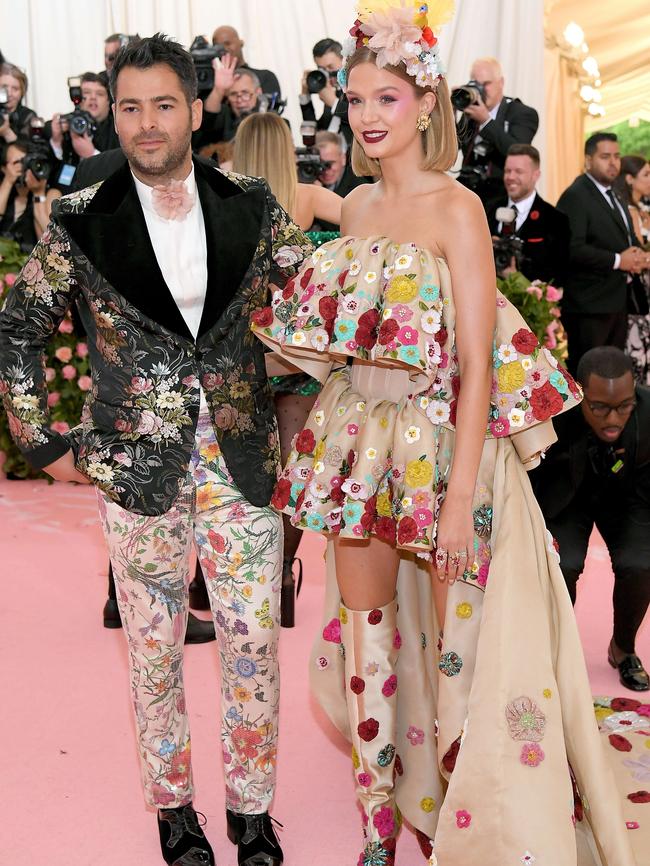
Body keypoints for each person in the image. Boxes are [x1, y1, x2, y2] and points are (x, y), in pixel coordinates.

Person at [250, 2, 636, 864]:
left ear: (424, 104)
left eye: (386, 97)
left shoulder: (458, 209)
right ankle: (377, 833)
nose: (369, 116)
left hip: (445, 457)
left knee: (462, 649)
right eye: (354, 100)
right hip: (358, 449)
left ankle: (467, 813)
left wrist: (459, 501)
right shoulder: (352, 213)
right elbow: (342, 345)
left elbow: (475, 365)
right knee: (367, 641)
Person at [0, 33, 313, 866]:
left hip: (243, 460)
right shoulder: (80, 220)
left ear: (196, 106)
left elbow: (318, 307)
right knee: (152, 649)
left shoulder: (250, 201)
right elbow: (17, 330)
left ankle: (251, 814)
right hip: (136, 470)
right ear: (114, 111)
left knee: (252, 641)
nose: (145, 124)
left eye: (163, 105)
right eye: (130, 106)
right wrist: (44, 441)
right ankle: (175, 812)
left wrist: (304, 414)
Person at [232, 110, 341, 626]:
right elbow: (375, 230)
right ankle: (282, 580)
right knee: (292, 472)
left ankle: (235, 578)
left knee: (234, 471)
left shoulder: (218, 193)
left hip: (239, 353)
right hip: (300, 356)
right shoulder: (310, 197)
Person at [532, 346, 650, 692]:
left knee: (641, 562)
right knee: (562, 562)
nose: (613, 419)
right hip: (570, 498)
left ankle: (623, 648)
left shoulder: (649, 413)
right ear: (579, 392)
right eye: (599, 407)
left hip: (629, 500)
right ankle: (558, 654)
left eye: (624, 406)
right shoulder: (554, 410)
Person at [557, 132, 649, 375]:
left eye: (617, 156)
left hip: (616, 302)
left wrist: (636, 255)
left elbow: (621, 238)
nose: (613, 163)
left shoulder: (614, 193)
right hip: (589, 307)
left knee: (612, 376)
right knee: (590, 378)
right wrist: (620, 260)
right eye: (605, 156)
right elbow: (570, 248)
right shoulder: (576, 195)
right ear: (588, 160)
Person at [458, 56, 538, 204]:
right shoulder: (470, 111)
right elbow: (450, 148)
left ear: (501, 83)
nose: (480, 90)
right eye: (476, 84)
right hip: (467, 190)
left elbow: (517, 152)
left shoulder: (522, 113)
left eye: (486, 84)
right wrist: (450, 110)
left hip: (500, 196)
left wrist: (486, 121)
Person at [486, 143, 569, 284]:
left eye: (518, 171)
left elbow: (558, 278)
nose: (510, 177)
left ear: (536, 175)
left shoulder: (556, 220)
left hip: (529, 304)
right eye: (507, 171)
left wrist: (516, 279)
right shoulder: (487, 209)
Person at [614, 155, 650, 383]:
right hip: (640, 287)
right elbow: (637, 255)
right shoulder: (630, 212)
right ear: (629, 179)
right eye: (646, 175)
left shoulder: (642, 209)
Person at [0, 138, 59, 250]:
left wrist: (38, 193)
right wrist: (8, 181)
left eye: (26, 160)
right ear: (4, 168)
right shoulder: (4, 193)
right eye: (17, 162)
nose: (23, 167)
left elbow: (52, 240)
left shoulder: (50, 194)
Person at [211, 25, 281, 99]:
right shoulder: (211, 84)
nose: (224, 49)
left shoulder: (265, 77)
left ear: (241, 42)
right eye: (218, 46)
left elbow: (271, 108)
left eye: (228, 43)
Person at [0, 62, 37, 143]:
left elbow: (26, 152)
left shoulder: (27, 116)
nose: (9, 93)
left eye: (15, 89)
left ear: (22, 92)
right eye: (4, 87)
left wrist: (6, 132)